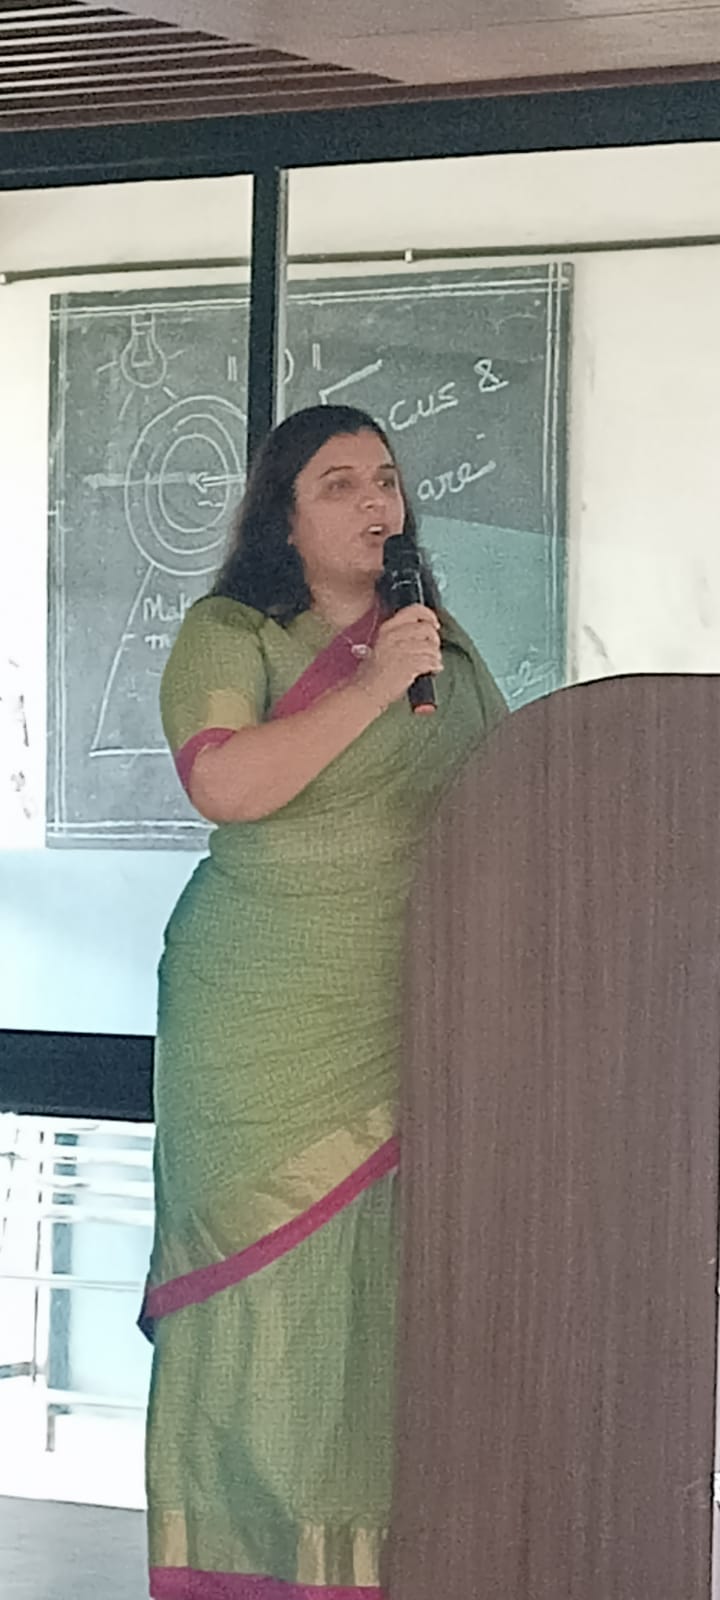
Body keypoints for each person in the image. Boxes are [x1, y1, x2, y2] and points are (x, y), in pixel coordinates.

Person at [143, 403, 506, 1600]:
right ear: (285, 520)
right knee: (270, 1298)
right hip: (259, 1014)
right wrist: (368, 683)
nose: (373, 501)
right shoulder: (230, 630)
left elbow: (510, 802)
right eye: (339, 483)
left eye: (385, 479)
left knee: (379, 1301)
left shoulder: (442, 650)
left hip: (411, 1013)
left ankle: (372, 1570)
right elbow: (227, 783)